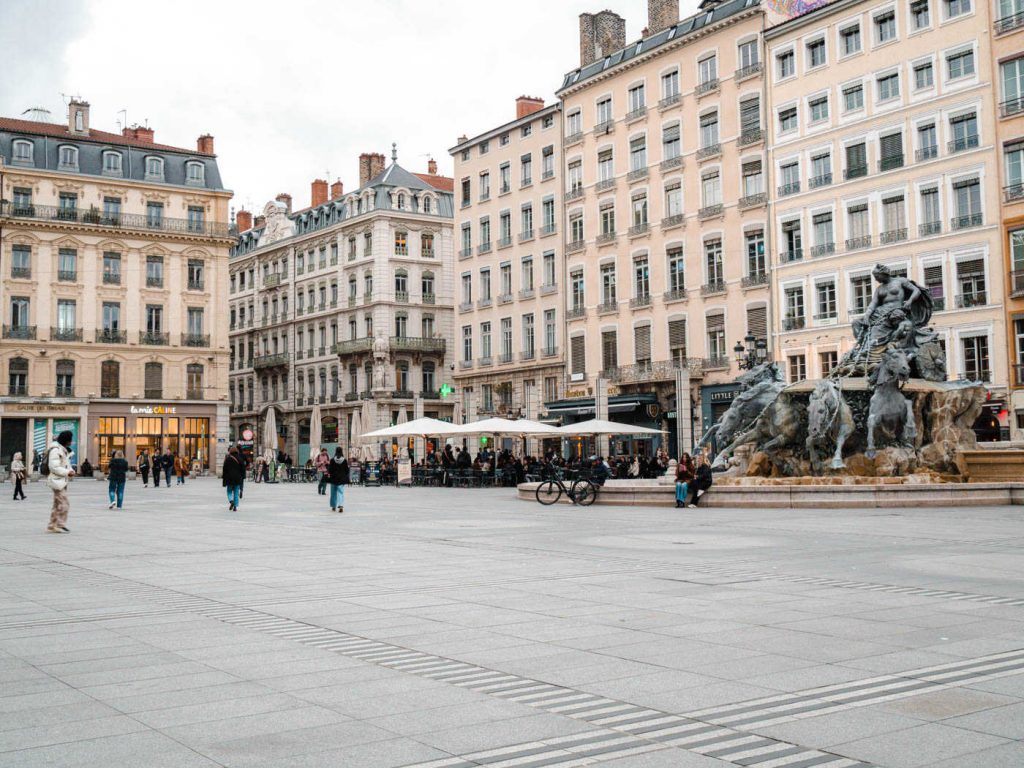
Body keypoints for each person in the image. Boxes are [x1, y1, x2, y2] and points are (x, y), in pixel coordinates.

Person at [45, 430, 75, 533]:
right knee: (64, 503)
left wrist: (70, 470)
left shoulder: (64, 450)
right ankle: (59, 524)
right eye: (70, 440)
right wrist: (67, 472)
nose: (71, 442)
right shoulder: (56, 450)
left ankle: (52, 525)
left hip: (62, 480)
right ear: (66, 440)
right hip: (57, 481)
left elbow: (65, 464)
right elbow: (54, 467)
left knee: (57, 504)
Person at [222, 446, 246, 511]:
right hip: (238, 478)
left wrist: (224, 480)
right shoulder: (240, 459)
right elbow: (243, 469)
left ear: (230, 451)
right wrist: (243, 477)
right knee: (236, 492)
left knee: (229, 491)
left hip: (229, 478)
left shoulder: (228, 459)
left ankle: (231, 501)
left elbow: (224, 470)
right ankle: (235, 506)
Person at [327, 447, 350, 513]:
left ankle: (333, 506)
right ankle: (341, 505)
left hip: (333, 478)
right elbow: (347, 470)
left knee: (333, 493)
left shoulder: (332, 460)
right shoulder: (344, 460)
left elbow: (330, 470)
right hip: (341, 479)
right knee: (340, 492)